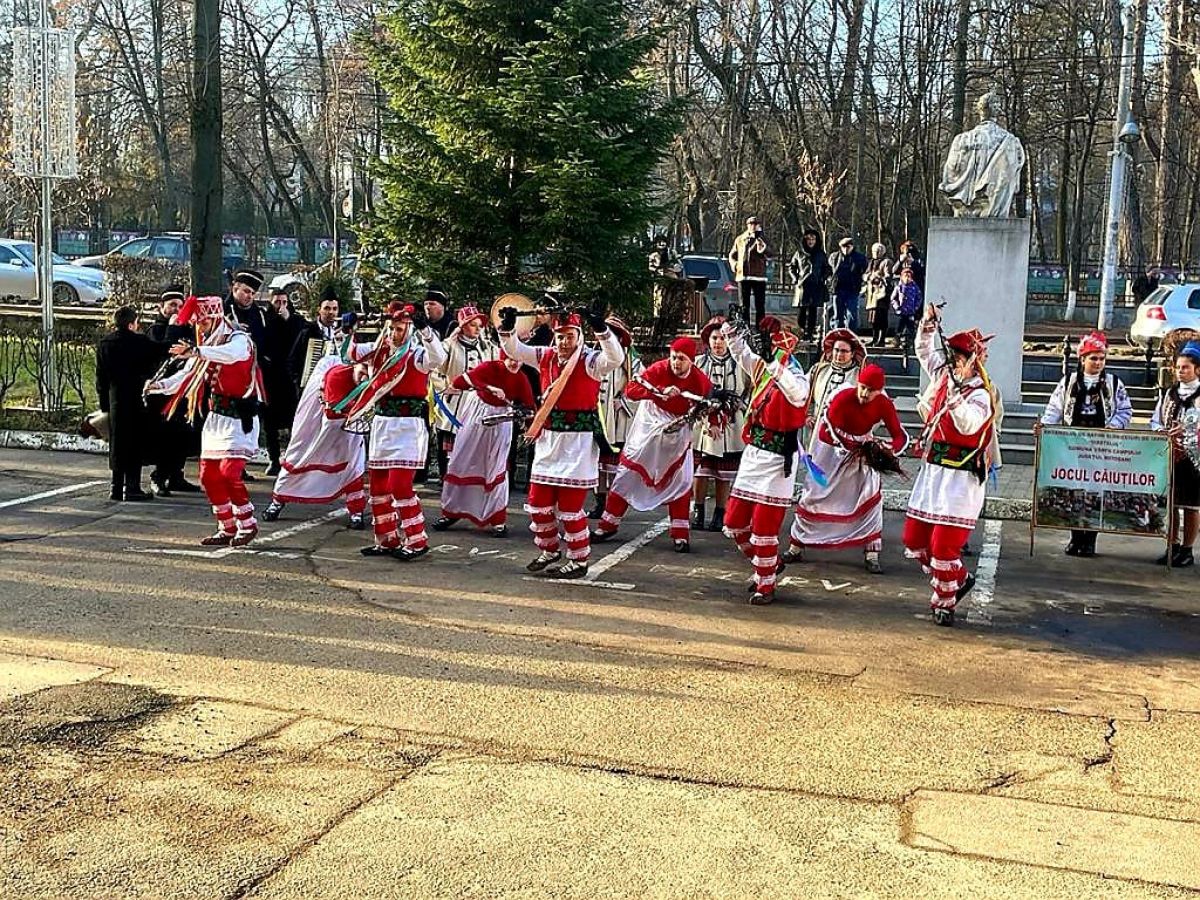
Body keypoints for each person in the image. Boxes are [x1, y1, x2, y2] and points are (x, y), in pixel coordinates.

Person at [497, 302, 625, 579]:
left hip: (578, 444)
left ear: (579, 336)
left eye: (569, 336)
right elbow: (515, 350)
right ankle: (550, 549)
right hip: (549, 440)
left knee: (570, 508)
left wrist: (601, 328)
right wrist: (508, 327)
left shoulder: (590, 361)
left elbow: (615, 358)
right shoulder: (545, 356)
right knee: (538, 503)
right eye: (560, 336)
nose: (564, 342)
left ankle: (578, 560)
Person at [902, 304, 999, 627]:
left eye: (960, 357)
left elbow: (969, 424)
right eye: (953, 356)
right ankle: (958, 578)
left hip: (961, 480)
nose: (954, 361)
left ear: (974, 361)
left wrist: (955, 398)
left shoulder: (982, 395)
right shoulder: (944, 377)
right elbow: (923, 351)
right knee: (914, 540)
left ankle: (944, 602)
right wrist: (928, 324)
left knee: (943, 548)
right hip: (934, 473)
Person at [146, 296, 267, 546]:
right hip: (216, 419)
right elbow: (186, 375)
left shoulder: (239, 340)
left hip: (239, 418)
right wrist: (158, 386)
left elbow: (231, 356)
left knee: (229, 473)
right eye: (196, 324)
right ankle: (227, 526)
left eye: (201, 322)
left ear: (214, 318)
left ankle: (247, 523)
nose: (198, 328)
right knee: (208, 476)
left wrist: (196, 351)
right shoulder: (206, 345)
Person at [344, 300, 448, 559]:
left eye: (399, 329)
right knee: (378, 486)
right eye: (391, 328)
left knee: (400, 485)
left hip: (408, 427)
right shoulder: (380, 351)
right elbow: (352, 353)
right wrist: (349, 329)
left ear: (409, 330)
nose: (393, 333)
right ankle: (386, 538)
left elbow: (439, 358)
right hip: (382, 424)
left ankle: (416, 540)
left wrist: (426, 331)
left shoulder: (417, 355)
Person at [592, 337, 714, 552]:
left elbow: (710, 403)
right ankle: (607, 525)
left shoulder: (700, 380)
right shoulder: (659, 369)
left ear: (692, 361)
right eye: (674, 357)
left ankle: (680, 534)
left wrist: (713, 422)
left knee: (681, 480)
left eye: (682, 359)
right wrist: (658, 391)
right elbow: (632, 390)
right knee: (627, 474)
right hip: (649, 424)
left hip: (677, 429)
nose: (676, 363)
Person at [784, 363, 907, 574]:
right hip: (830, 453)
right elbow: (827, 432)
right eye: (863, 387)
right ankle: (796, 546)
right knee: (815, 496)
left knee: (870, 495)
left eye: (871, 390)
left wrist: (887, 449)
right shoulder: (842, 398)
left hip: (861, 454)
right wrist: (857, 448)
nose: (865, 394)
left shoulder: (884, 404)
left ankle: (871, 553)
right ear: (858, 383)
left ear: (880, 391)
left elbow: (900, 436)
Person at [721, 317, 810, 605]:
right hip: (754, 454)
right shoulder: (762, 367)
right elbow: (741, 353)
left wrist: (774, 362)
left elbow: (796, 395)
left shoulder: (797, 375)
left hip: (778, 460)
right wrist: (732, 330)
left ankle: (766, 584)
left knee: (764, 527)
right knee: (734, 523)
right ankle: (769, 565)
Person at [1038, 331, 1133, 557]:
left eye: (1102, 358)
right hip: (1072, 446)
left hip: (1101, 447)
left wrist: (1114, 426)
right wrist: (1044, 427)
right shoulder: (1068, 382)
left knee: (1095, 492)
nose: (1098, 363)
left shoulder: (1114, 383)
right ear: (1082, 359)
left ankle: (1090, 540)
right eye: (1093, 358)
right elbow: (1054, 408)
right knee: (1074, 490)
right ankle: (1075, 537)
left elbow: (1125, 410)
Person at [263, 331, 367, 529]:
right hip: (318, 424)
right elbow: (332, 415)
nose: (365, 376)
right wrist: (352, 409)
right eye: (363, 370)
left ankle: (356, 511)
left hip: (348, 428)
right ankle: (277, 502)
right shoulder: (335, 373)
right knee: (300, 456)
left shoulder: (369, 376)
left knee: (353, 464)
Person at [434, 351, 536, 535]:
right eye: (511, 358)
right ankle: (452, 511)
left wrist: (528, 420)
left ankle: (497, 519)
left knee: (495, 467)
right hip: (476, 417)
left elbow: (529, 407)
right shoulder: (490, 367)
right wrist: (489, 388)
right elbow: (460, 381)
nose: (514, 362)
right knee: (461, 461)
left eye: (519, 359)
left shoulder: (521, 378)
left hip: (500, 423)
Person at [225, 269, 291, 477]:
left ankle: (245, 462)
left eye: (252, 293)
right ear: (235, 288)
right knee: (232, 423)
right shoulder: (224, 311)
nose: (249, 297)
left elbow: (272, 340)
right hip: (229, 377)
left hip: (256, 375)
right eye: (245, 291)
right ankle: (230, 464)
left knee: (253, 421)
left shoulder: (260, 315)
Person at [96, 305, 161, 502]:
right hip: (136, 397)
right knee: (135, 442)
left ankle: (116, 487)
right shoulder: (140, 342)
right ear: (132, 324)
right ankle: (132, 488)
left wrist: (104, 405)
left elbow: (101, 378)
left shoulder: (105, 344)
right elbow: (160, 352)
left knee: (117, 443)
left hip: (115, 397)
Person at [692, 316, 749, 532]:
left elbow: (749, 390)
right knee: (701, 470)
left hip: (731, 424)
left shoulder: (740, 365)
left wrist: (737, 406)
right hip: (703, 424)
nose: (718, 343)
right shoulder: (699, 363)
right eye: (715, 338)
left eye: (723, 338)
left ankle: (720, 512)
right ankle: (698, 510)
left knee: (724, 472)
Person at [431, 305, 497, 482]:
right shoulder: (449, 346)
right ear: (462, 326)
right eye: (473, 325)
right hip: (456, 401)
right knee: (451, 442)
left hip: (480, 403)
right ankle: (448, 478)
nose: (477, 329)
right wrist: (445, 386)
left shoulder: (488, 347)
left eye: (480, 326)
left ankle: (472, 479)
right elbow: (433, 369)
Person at [144, 286, 200, 496]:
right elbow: (164, 353)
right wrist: (172, 329)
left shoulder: (186, 329)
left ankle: (177, 475)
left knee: (183, 436)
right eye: (172, 305)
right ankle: (159, 476)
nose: (176, 310)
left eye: (180, 306)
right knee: (165, 438)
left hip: (185, 391)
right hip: (162, 394)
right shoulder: (156, 330)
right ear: (162, 307)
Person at [1150, 339, 1200, 568]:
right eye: (1178, 367)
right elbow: (1156, 419)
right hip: (1170, 456)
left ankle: (1188, 550)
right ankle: (1172, 546)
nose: (1181, 371)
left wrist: (1189, 429)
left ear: (1197, 369)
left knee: (1191, 506)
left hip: (1194, 459)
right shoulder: (1170, 393)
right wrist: (1161, 431)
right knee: (1171, 504)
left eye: (1186, 367)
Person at [592, 317, 642, 519]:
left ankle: (612, 505)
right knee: (597, 463)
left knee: (614, 465)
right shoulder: (594, 356)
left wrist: (624, 400)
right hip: (597, 415)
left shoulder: (630, 359)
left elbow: (641, 384)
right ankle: (599, 502)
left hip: (619, 419)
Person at [805, 328, 866, 451]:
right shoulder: (818, 371)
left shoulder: (861, 376)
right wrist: (807, 416)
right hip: (817, 432)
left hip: (846, 436)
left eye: (844, 351)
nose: (839, 354)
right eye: (836, 350)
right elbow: (802, 394)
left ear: (852, 353)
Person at [289, 284, 342, 385]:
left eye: (335, 309)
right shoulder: (308, 331)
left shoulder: (340, 331)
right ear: (319, 310)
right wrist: (299, 383)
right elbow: (293, 361)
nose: (331, 312)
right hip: (312, 385)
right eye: (327, 308)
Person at [788, 228, 830, 341]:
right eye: (808, 239)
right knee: (801, 310)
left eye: (813, 239)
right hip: (803, 285)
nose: (811, 241)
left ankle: (810, 334)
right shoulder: (799, 253)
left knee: (813, 311)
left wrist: (823, 278)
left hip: (816, 285)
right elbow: (791, 267)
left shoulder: (821, 254)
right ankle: (801, 332)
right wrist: (795, 279)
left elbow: (827, 268)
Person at [728, 216, 769, 322]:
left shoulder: (763, 239)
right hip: (743, 276)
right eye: (751, 224)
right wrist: (735, 265)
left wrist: (762, 245)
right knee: (744, 305)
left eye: (756, 224)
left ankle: (760, 327)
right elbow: (732, 255)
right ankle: (745, 327)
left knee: (760, 305)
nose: (753, 226)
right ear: (747, 226)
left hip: (759, 277)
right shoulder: (740, 239)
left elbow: (770, 253)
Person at [827, 237, 867, 330]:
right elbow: (828, 270)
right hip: (837, 289)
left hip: (852, 290)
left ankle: (851, 333)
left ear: (852, 247)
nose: (846, 249)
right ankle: (837, 331)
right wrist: (829, 279)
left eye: (848, 247)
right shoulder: (834, 257)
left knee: (852, 314)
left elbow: (865, 271)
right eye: (843, 247)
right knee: (837, 314)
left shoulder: (859, 258)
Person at [889, 267, 923, 360]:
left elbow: (919, 298)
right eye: (905, 276)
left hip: (910, 311)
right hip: (901, 311)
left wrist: (916, 307)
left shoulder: (915, 287)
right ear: (902, 277)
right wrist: (897, 307)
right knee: (899, 327)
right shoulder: (899, 287)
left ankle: (912, 343)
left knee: (911, 328)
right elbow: (893, 298)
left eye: (909, 276)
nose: (907, 278)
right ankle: (896, 341)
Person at [864, 242, 893, 347]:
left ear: (883, 252)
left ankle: (881, 339)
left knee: (881, 317)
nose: (876, 253)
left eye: (878, 251)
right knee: (873, 318)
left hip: (882, 294)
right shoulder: (871, 262)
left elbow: (888, 276)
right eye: (874, 251)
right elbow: (865, 274)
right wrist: (868, 277)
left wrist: (878, 277)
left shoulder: (887, 262)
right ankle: (874, 338)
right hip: (872, 294)